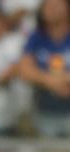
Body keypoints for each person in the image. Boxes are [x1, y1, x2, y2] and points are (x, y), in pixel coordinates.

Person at [18, 0, 70, 137]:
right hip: (44, 113)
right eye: (46, 5)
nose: (49, 9)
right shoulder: (36, 37)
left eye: (55, 5)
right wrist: (50, 81)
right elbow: (24, 70)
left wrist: (64, 79)